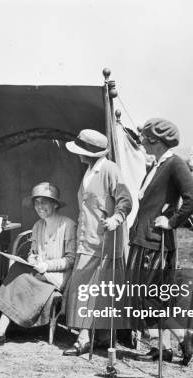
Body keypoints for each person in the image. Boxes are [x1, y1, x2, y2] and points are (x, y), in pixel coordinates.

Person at [127, 118, 193, 366]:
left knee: (150, 299)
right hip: (144, 240)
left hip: (156, 243)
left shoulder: (175, 164)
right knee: (152, 297)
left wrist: (171, 222)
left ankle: (183, 335)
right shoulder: (157, 165)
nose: (141, 142)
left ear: (156, 141)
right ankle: (163, 349)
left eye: (145, 138)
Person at [0, 182, 76, 349]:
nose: (40, 207)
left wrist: (46, 265)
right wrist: (32, 258)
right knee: (18, 272)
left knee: (18, 273)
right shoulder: (38, 226)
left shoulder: (67, 225)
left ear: (55, 204)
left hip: (56, 278)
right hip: (36, 275)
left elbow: (71, 260)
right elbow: (33, 252)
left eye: (45, 202)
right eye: (37, 203)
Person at [61, 129, 133, 356]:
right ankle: (98, 335)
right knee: (88, 289)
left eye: (81, 151)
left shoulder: (109, 169)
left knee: (92, 290)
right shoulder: (90, 170)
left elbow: (125, 199)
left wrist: (117, 218)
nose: (78, 154)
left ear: (90, 153)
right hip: (87, 239)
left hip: (103, 241)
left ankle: (84, 338)